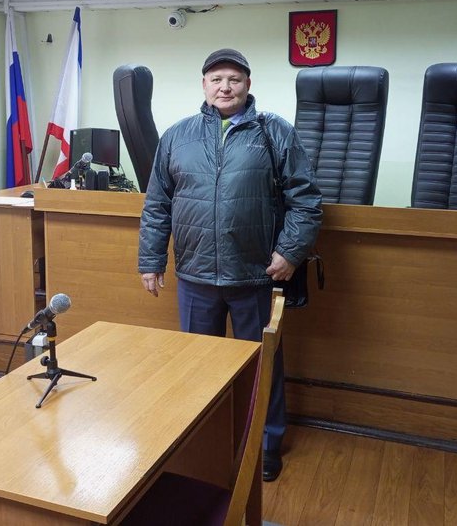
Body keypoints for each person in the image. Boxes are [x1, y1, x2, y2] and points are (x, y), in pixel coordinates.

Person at [138, 48, 322, 482]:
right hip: (195, 276)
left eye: (234, 80)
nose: (225, 87)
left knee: (264, 365)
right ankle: (200, 440)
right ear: (203, 85)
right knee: (196, 366)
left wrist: (290, 252)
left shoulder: (274, 132)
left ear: (248, 86)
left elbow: (306, 200)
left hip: (254, 274)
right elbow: (157, 204)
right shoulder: (177, 136)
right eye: (217, 79)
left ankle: (266, 444)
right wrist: (151, 259)